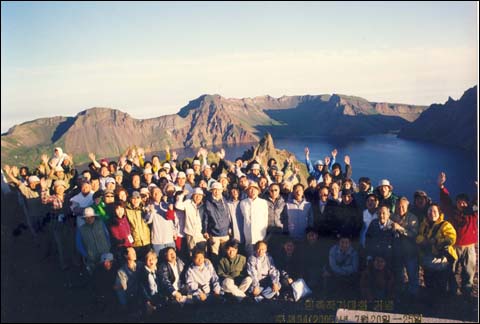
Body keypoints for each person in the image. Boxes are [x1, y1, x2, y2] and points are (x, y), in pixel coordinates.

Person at [438, 172, 477, 297]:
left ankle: (467, 292)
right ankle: (453, 291)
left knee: (469, 271)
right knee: (452, 270)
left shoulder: (473, 214)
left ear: (468, 203)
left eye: (464, 202)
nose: (462, 204)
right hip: (454, 246)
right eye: (459, 202)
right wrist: (441, 185)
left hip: (469, 247)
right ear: (456, 203)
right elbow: (445, 199)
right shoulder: (451, 211)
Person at [416, 204, 457, 296]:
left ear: (439, 213)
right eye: (430, 211)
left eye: (435, 211)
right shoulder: (424, 225)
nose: (432, 213)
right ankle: (431, 303)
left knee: (441, 284)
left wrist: (436, 241)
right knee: (429, 283)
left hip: (441, 260)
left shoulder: (445, 224)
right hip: (428, 259)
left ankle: (440, 304)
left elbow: (451, 237)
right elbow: (418, 236)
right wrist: (423, 240)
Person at [391, 197, 419, 296]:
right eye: (398, 207)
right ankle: (401, 296)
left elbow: (414, 234)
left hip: (410, 252)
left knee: (413, 276)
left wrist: (400, 229)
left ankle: (413, 297)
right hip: (397, 252)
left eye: (403, 207)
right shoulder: (392, 217)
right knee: (399, 275)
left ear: (407, 206)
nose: (400, 209)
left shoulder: (413, 218)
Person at [240, 181, 269, 255]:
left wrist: (264, 233)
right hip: (248, 234)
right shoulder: (243, 203)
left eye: (255, 189)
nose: (252, 191)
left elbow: (265, 218)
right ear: (247, 191)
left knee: (260, 254)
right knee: (250, 256)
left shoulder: (263, 202)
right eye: (250, 189)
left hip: (260, 234)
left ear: (258, 191)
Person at [176, 187, 207, 256]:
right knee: (192, 254)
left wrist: (205, 231)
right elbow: (177, 205)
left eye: (200, 195)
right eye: (196, 195)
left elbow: (206, 219)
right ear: (193, 195)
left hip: (200, 234)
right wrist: (182, 194)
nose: (198, 197)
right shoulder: (188, 203)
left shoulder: (203, 206)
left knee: (202, 254)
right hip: (190, 234)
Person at [203, 182, 231, 257]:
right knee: (214, 254)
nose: (216, 192)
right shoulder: (208, 202)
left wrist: (230, 228)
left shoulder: (224, 200)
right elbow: (206, 217)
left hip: (225, 232)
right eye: (214, 190)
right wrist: (205, 231)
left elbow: (228, 215)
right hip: (214, 233)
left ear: (221, 190)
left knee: (225, 254)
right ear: (211, 190)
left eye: (218, 190)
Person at [125, 191, 151, 261]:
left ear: (140, 199)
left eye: (137, 198)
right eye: (133, 198)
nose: (135, 200)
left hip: (147, 241)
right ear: (130, 199)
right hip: (135, 243)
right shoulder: (127, 210)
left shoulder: (144, 209)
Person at [265, 183, 288, 250]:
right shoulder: (264, 201)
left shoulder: (284, 201)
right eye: (271, 190)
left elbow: (285, 217)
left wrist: (285, 231)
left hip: (279, 230)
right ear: (269, 191)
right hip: (268, 231)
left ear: (279, 190)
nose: (273, 192)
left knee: (279, 250)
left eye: (276, 190)